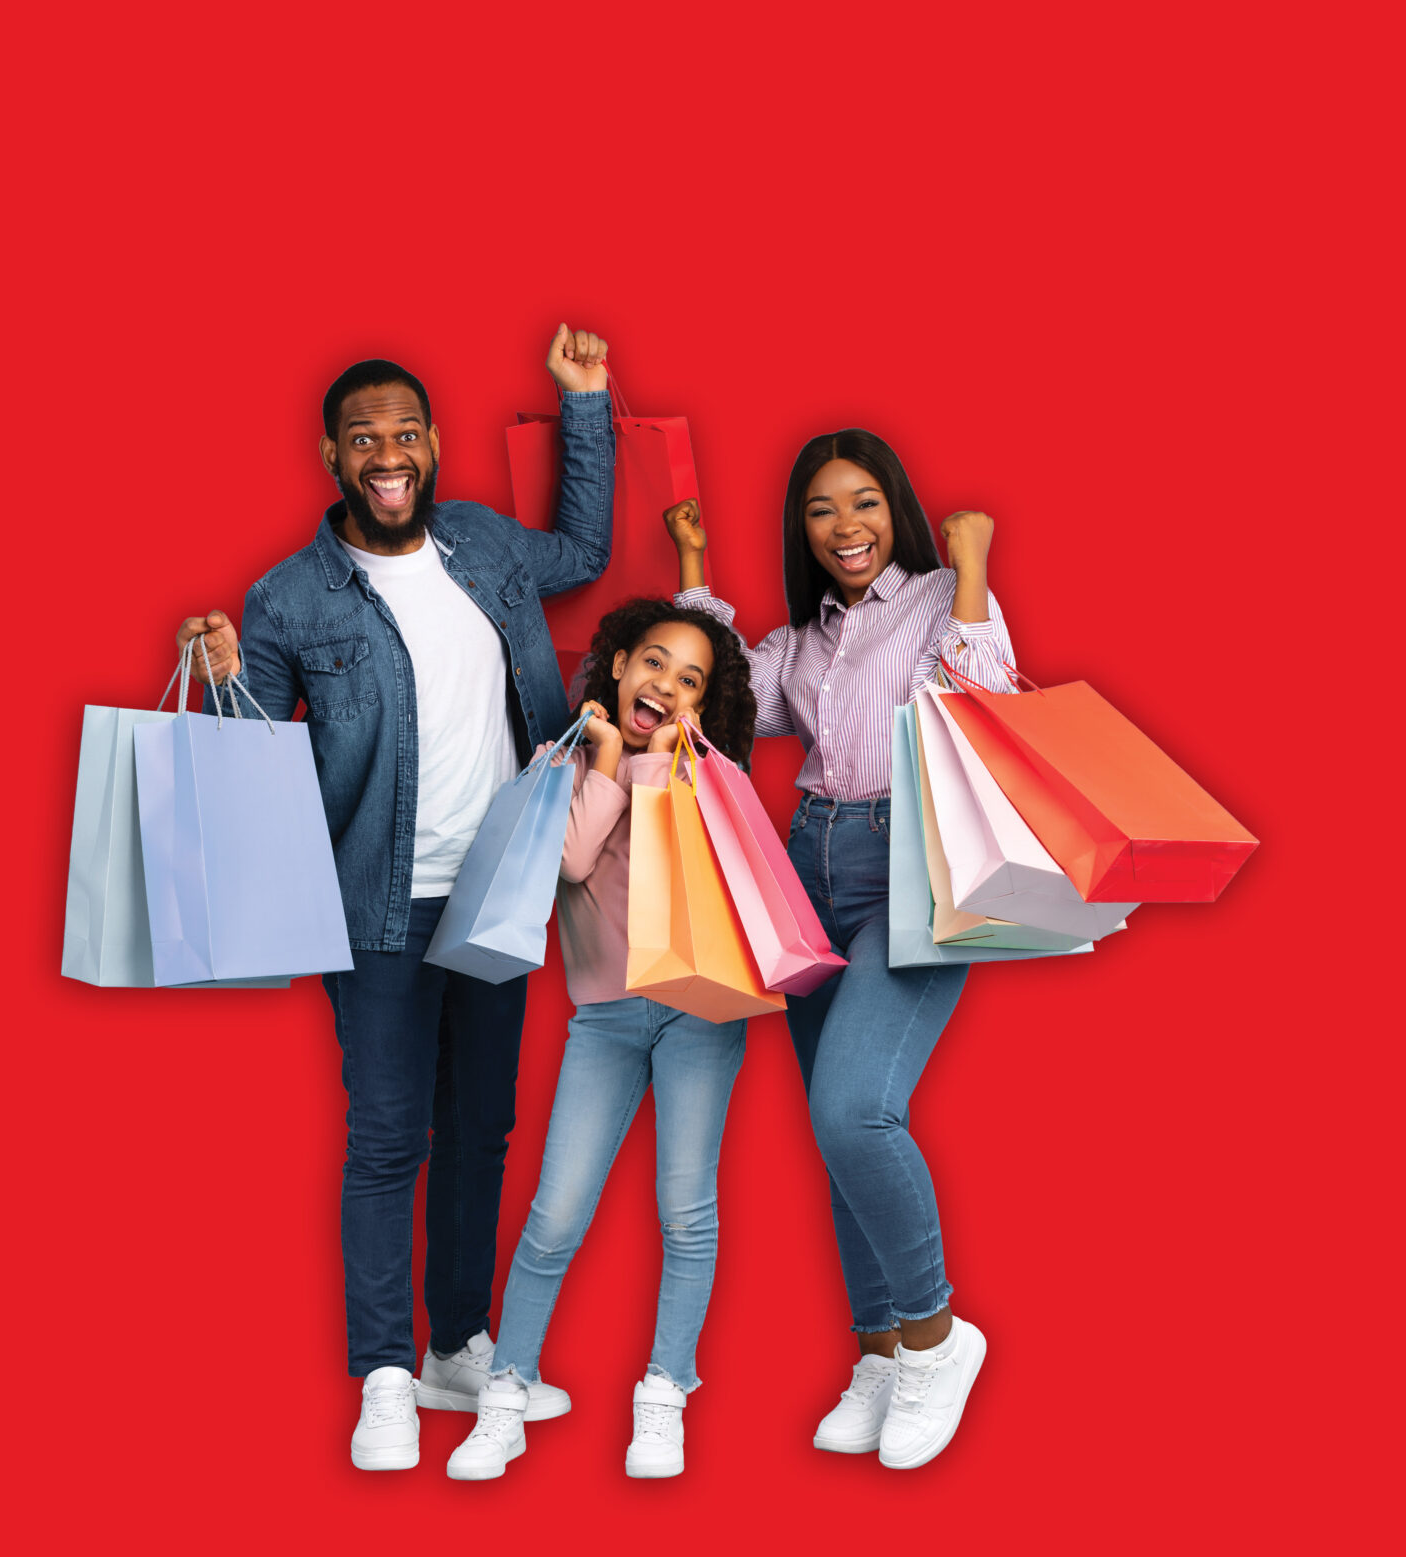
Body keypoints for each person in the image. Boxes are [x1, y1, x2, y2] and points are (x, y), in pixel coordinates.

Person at [173, 326, 614, 1471]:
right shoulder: (287, 600)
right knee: (385, 1138)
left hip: (498, 892)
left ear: (432, 444)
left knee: (480, 1129)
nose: (387, 454)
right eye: (363, 439)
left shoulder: (486, 545)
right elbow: (249, 764)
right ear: (331, 456)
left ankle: (455, 1348)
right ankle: (381, 1377)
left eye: (405, 433)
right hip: (373, 906)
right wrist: (221, 680)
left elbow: (584, 550)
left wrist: (584, 402)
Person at [671, 437, 1011, 1470]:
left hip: (914, 865)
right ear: (803, 530)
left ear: (895, 509)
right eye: (821, 510)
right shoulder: (803, 638)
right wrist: (693, 571)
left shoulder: (939, 599)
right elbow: (719, 700)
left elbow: (986, 698)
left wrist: (972, 566)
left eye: (864, 503)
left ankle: (936, 1337)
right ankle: (880, 1353)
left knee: (851, 1109)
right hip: (809, 866)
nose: (845, 526)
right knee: (837, 1134)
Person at [444, 575, 760, 1482]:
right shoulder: (571, 762)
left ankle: (663, 1396)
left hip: (701, 1010)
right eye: (655, 662)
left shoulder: (707, 775)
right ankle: (507, 1394)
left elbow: (682, 847)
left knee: (686, 1212)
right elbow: (575, 859)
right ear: (618, 664)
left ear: (706, 705)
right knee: (554, 1214)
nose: (667, 684)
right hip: (608, 1017)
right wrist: (609, 758)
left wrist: (643, 758)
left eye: (691, 680)